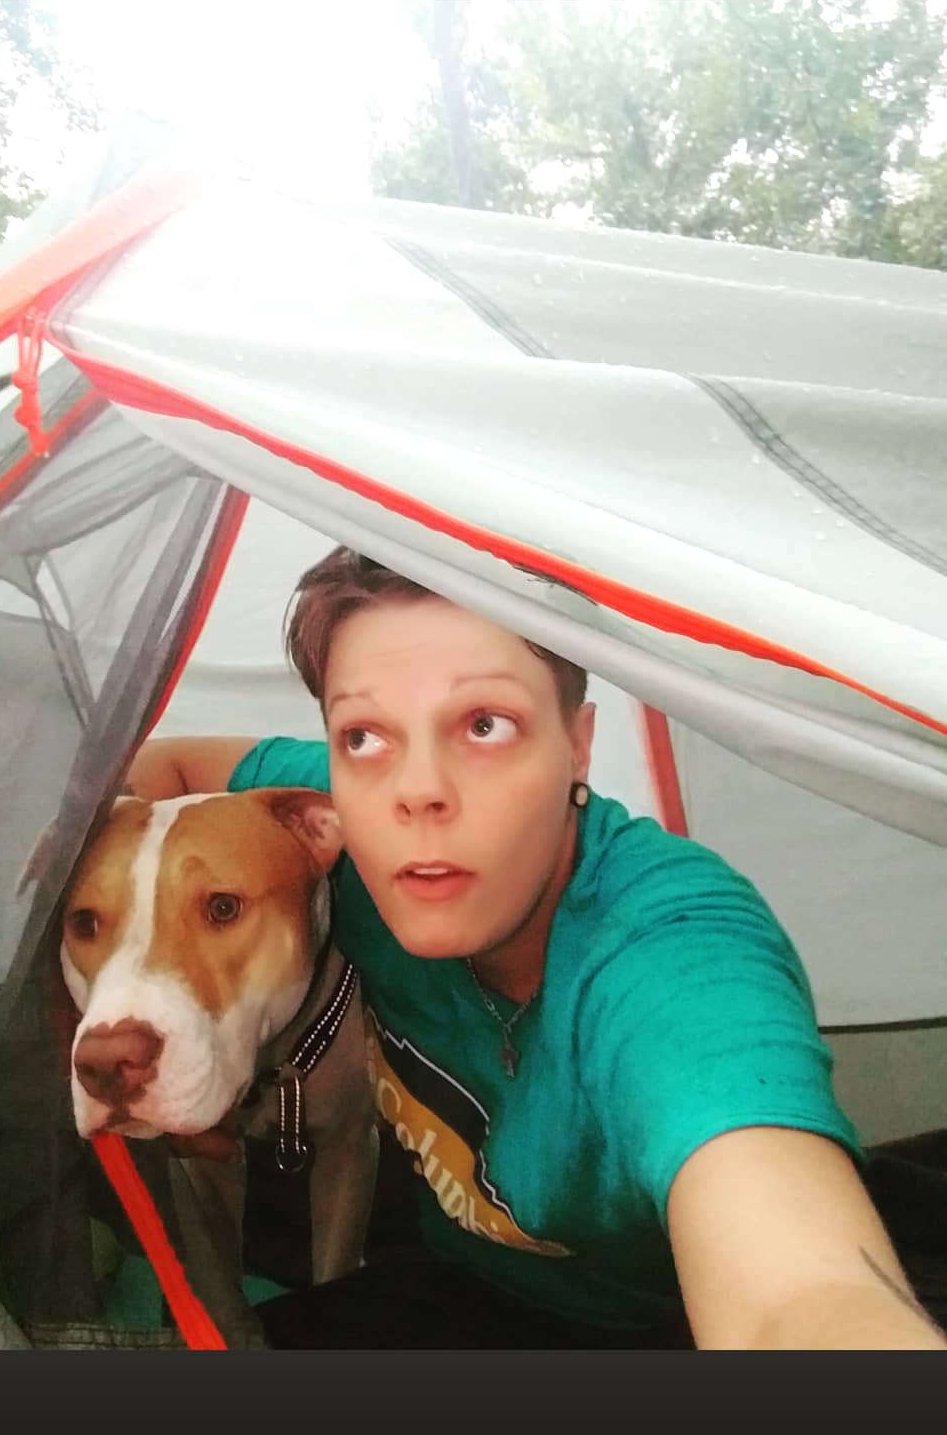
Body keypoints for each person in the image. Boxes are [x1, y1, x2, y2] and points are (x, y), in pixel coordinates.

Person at [125, 547, 946, 1350]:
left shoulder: (665, 951)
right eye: (366, 736)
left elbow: (798, 1296)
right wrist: (182, 1030)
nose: (416, 791)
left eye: (485, 725)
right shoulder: (335, 826)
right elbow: (159, 772)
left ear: (578, 744)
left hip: (660, 1323)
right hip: (472, 1284)